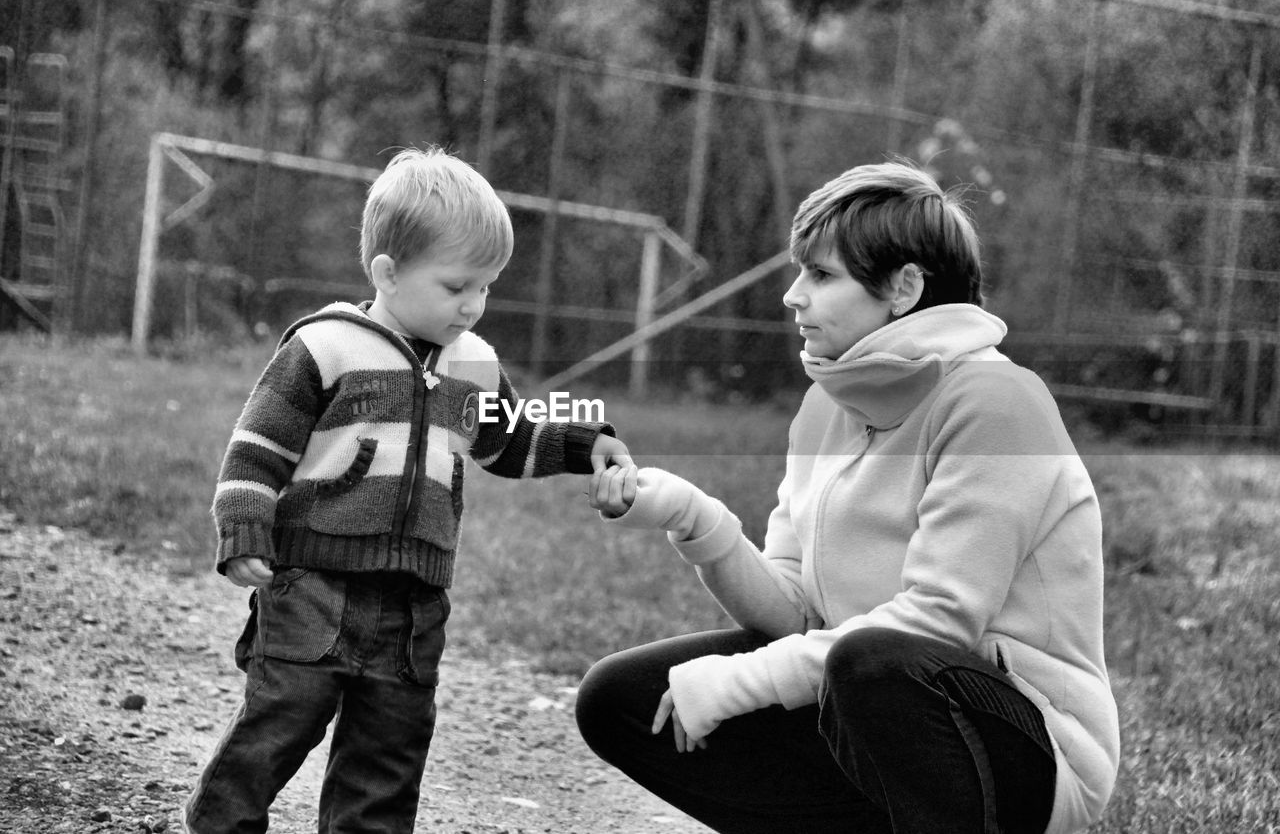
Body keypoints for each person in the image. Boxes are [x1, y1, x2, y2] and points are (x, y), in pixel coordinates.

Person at [579, 160, 1119, 834]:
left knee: (873, 662)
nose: (793, 296)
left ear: (904, 287)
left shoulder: (997, 404)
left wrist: (734, 683)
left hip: (1030, 751)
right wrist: (695, 518)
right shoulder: (827, 405)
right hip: (864, 704)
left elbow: (935, 623)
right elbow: (795, 610)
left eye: (822, 274)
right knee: (620, 699)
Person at [185, 146, 633, 833]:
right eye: (456, 286)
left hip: (414, 602)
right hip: (313, 584)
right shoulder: (326, 347)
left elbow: (510, 439)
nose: (473, 306)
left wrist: (584, 440)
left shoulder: (473, 365)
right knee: (281, 721)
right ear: (387, 274)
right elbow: (258, 445)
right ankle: (222, 819)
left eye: (486, 288)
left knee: (389, 751)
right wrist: (245, 524)